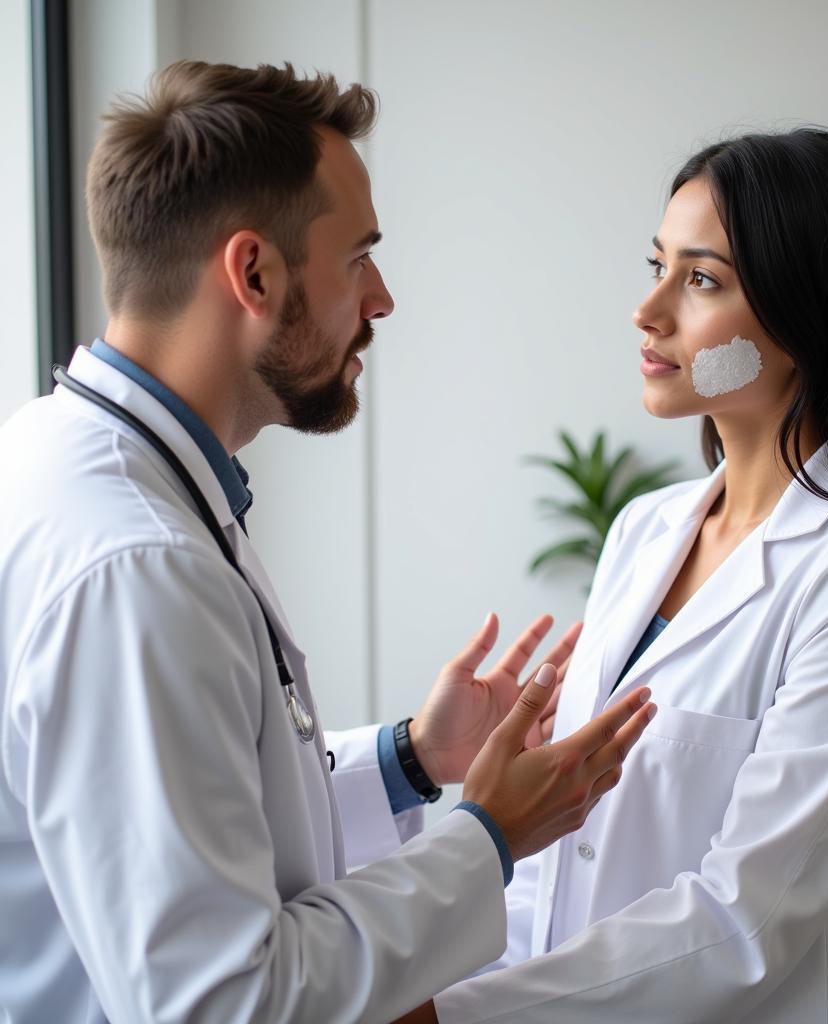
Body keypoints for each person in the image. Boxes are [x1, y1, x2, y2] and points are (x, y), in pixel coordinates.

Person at [0, 62, 658, 1024]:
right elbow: (223, 1002)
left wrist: (409, 758)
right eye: (359, 258)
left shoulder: (74, 458)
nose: (383, 299)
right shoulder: (137, 567)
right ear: (254, 273)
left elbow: (193, 821)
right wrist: (488, 836)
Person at [415, 130, 828, 1023]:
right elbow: (555, 860)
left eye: (701, 280)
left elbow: (750, 917)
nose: (648, 311)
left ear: (809, 313)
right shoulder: (645, 529)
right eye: (659, 265)